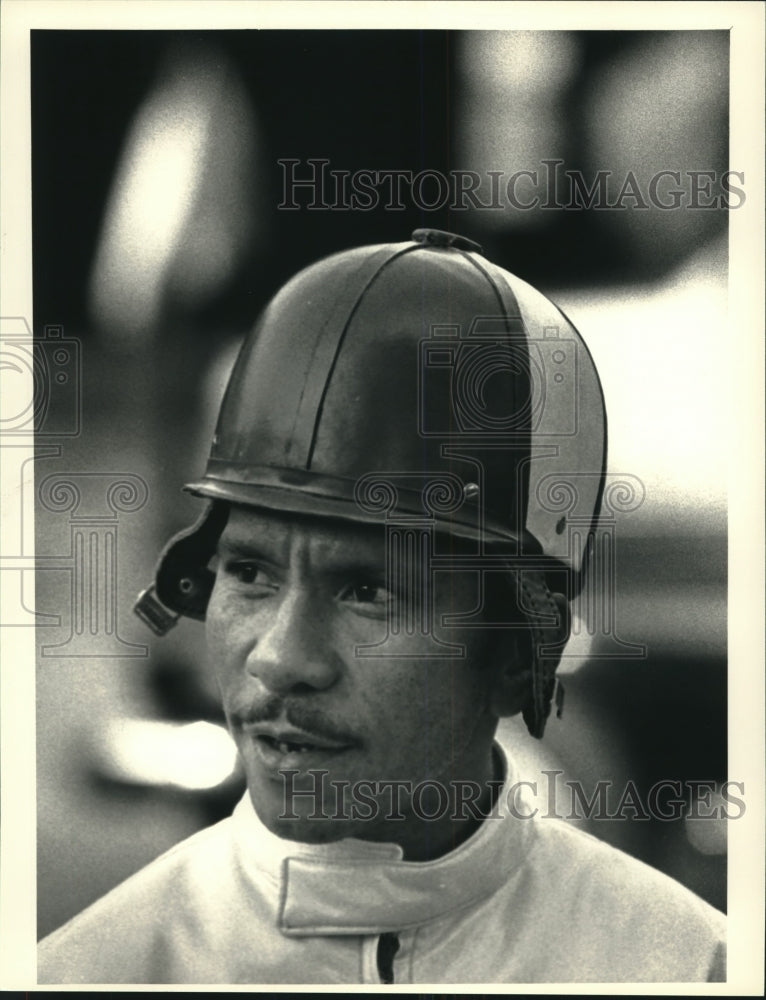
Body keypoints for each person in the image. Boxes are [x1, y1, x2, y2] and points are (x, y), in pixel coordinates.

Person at [38, 229, 726, 984]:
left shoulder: (689, 966)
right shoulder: (93, 971)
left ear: (516, 654)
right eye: (250, 573)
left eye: (368, 592)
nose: (278, 659)